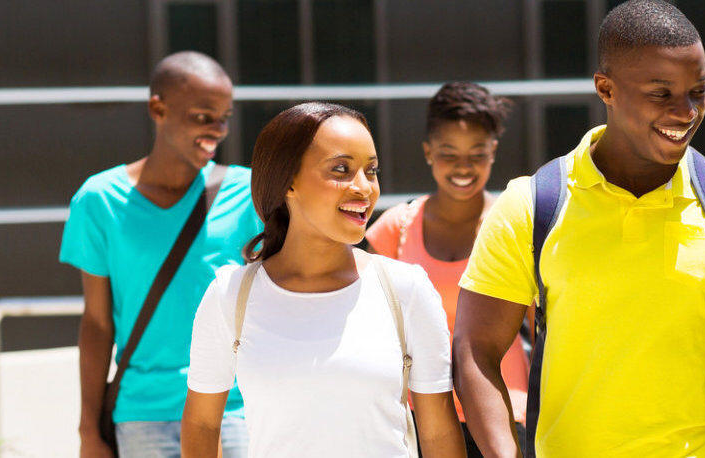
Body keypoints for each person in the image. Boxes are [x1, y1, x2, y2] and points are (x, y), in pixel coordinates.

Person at [453, 1, 705, 456]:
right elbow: (476, 348)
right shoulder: (530, 206)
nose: (685, 111)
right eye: (661, 93)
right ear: (606, 88)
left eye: (698, 90)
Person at [181, 102, 466, 458]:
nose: (364, 188)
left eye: (371, 170)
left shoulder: (406, 289)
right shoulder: (230, 296)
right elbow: (202, 425)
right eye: (342, 170)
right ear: (288, 182)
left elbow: (438, 432)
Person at [61, 51, 255, 458]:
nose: (217, 130)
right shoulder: (98, 200)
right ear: (158, 108)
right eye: (203, 116)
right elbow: (97, 324)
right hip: (143, 416)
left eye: (224, 117)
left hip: (234, 411)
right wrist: (88, 432)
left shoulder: (249, 194)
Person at [364, 82, 529, 453]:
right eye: (448, 153)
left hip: (505, 415)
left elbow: (544, 326)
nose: (463, 167)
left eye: (477, 154)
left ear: (494, 152)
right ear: (427, 152)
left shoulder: (517, 223)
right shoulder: (395, 228)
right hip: (418, 415)